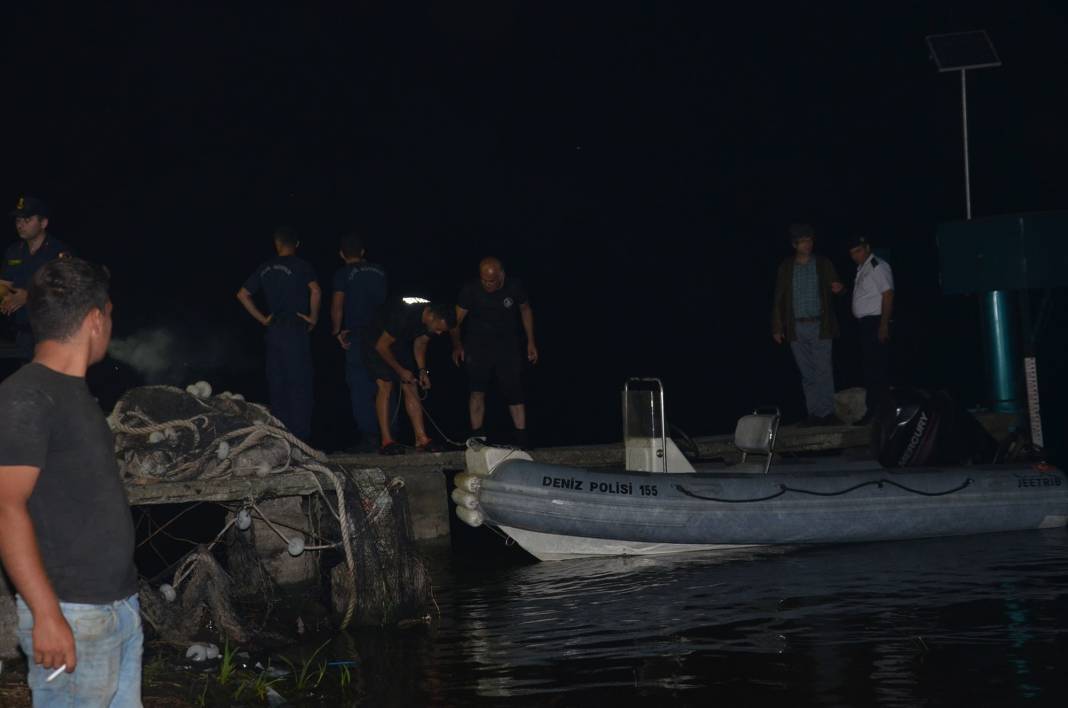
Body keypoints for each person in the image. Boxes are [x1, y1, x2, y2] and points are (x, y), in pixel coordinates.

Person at [0, 257, 142, 706]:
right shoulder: (27, 396)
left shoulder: (73, 394)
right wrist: (46, 614)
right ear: (95, 318)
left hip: (115, 606)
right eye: (111, 314)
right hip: (70, 613)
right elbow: (5, 506)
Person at [236, 226, 320, 441]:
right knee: (299, 383)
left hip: (274, 332)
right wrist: (313, 317)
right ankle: (300, 438)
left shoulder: (265, 267)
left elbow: (243, 294)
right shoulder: (302, 266)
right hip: (295, 328)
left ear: (277, 243)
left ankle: (282, 438)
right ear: (297, 245)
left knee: (277, 383)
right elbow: (316, 290)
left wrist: (263, 319)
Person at [451, 257, 538, 447]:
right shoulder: (470, 290)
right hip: (477, 346)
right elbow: (455, 321)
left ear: (501, 275)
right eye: (484, 280)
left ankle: (521, 437)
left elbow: (525, 310)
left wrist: (531, 342)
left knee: (513, 388)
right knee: (477, 390)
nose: (487, 284)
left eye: (491, 281)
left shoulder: (514, 287)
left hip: (508, 345)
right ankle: (477, 437)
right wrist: (457, 345)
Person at [771, 224, 844, 426]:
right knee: (807, 373)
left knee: (824, 370)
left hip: (820, 325)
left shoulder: (823, 263)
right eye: (803, 241)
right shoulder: (786, 267)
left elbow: (837, 286)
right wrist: (777, 327)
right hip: (796, 327)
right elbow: (779, 298)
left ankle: (827, 413)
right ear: (795, 244)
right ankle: (814, 414)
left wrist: (839, 288)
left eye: (810, 240)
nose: (808, 244)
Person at [363, 298, 455, 454]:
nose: (439, 333)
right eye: (439, 329)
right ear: (432, 317)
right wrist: (399, 370)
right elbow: (382, 346)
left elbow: (420, 343)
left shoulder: (429, 320)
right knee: (385, 384)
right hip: (376, 340)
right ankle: (386, 441)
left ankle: (421, 439)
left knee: (411, 383)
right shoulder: (403, 315)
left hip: (398, 342)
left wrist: (422, 370)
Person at [330, 233, 387, 451]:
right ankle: (389, 436)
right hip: (383, 335)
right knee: (384, 384)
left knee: (361, 387)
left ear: (342, 254)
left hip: (359, 334)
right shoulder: (380, 270)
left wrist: (337, 331)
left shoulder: (343, 274)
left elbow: (337, 305)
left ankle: (371, 437)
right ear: (362, 252)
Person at [1, 196, 73, 361]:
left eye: (27, 219)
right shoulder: (13, 251)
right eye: (18, 220)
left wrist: (29, 295)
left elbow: (68, 293)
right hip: (22, 334)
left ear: (43, 223)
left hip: (52, 335)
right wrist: (3, 297)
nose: (20, 224)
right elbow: (4, 284)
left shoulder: (59, 253)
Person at [849, 236, 895, 425]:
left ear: (867, 248)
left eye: (858, 251)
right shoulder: (862, 267)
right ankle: (875, 410)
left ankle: (881, 412)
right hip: (866, 324)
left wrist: (884, 324)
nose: (855, 256)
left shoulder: (877, 265)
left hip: (876, 321)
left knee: (878, 368)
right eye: (852, 253)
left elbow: (888, 294)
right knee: (870, 368)